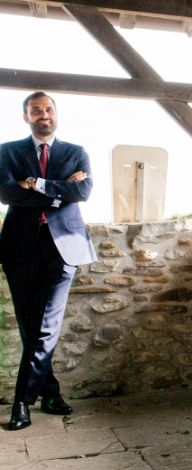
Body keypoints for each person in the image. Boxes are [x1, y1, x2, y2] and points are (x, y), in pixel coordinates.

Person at [0, 91, 97, 431]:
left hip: (63, 248)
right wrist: (57, 190)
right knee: (31, 327)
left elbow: (82, 193)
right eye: (36, 110)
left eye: (49, 109)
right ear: (26, 117)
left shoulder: (75, 152)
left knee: (44, 326)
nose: (44, 115)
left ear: (56, 114)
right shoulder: (7, 151)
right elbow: (5, 193)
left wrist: (35, 184)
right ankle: (51, 393)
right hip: (18, 247)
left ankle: (21, 403)